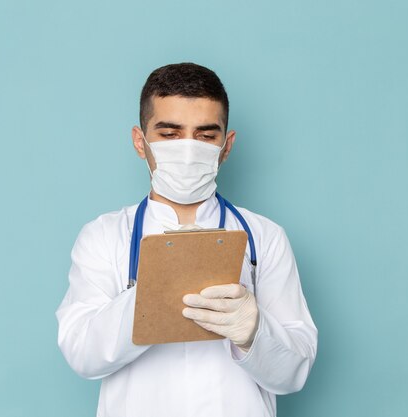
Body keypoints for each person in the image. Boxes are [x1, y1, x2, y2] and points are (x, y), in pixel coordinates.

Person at [55, 62, 318, 417]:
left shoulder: (263, 238)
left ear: (226, 146)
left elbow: (294, 372)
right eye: (169, 134)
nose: (189, 149)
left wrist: (254, 331)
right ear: (139, 141)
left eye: (206, 136)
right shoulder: (103, 236)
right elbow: (81, 353)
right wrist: (150, 297)